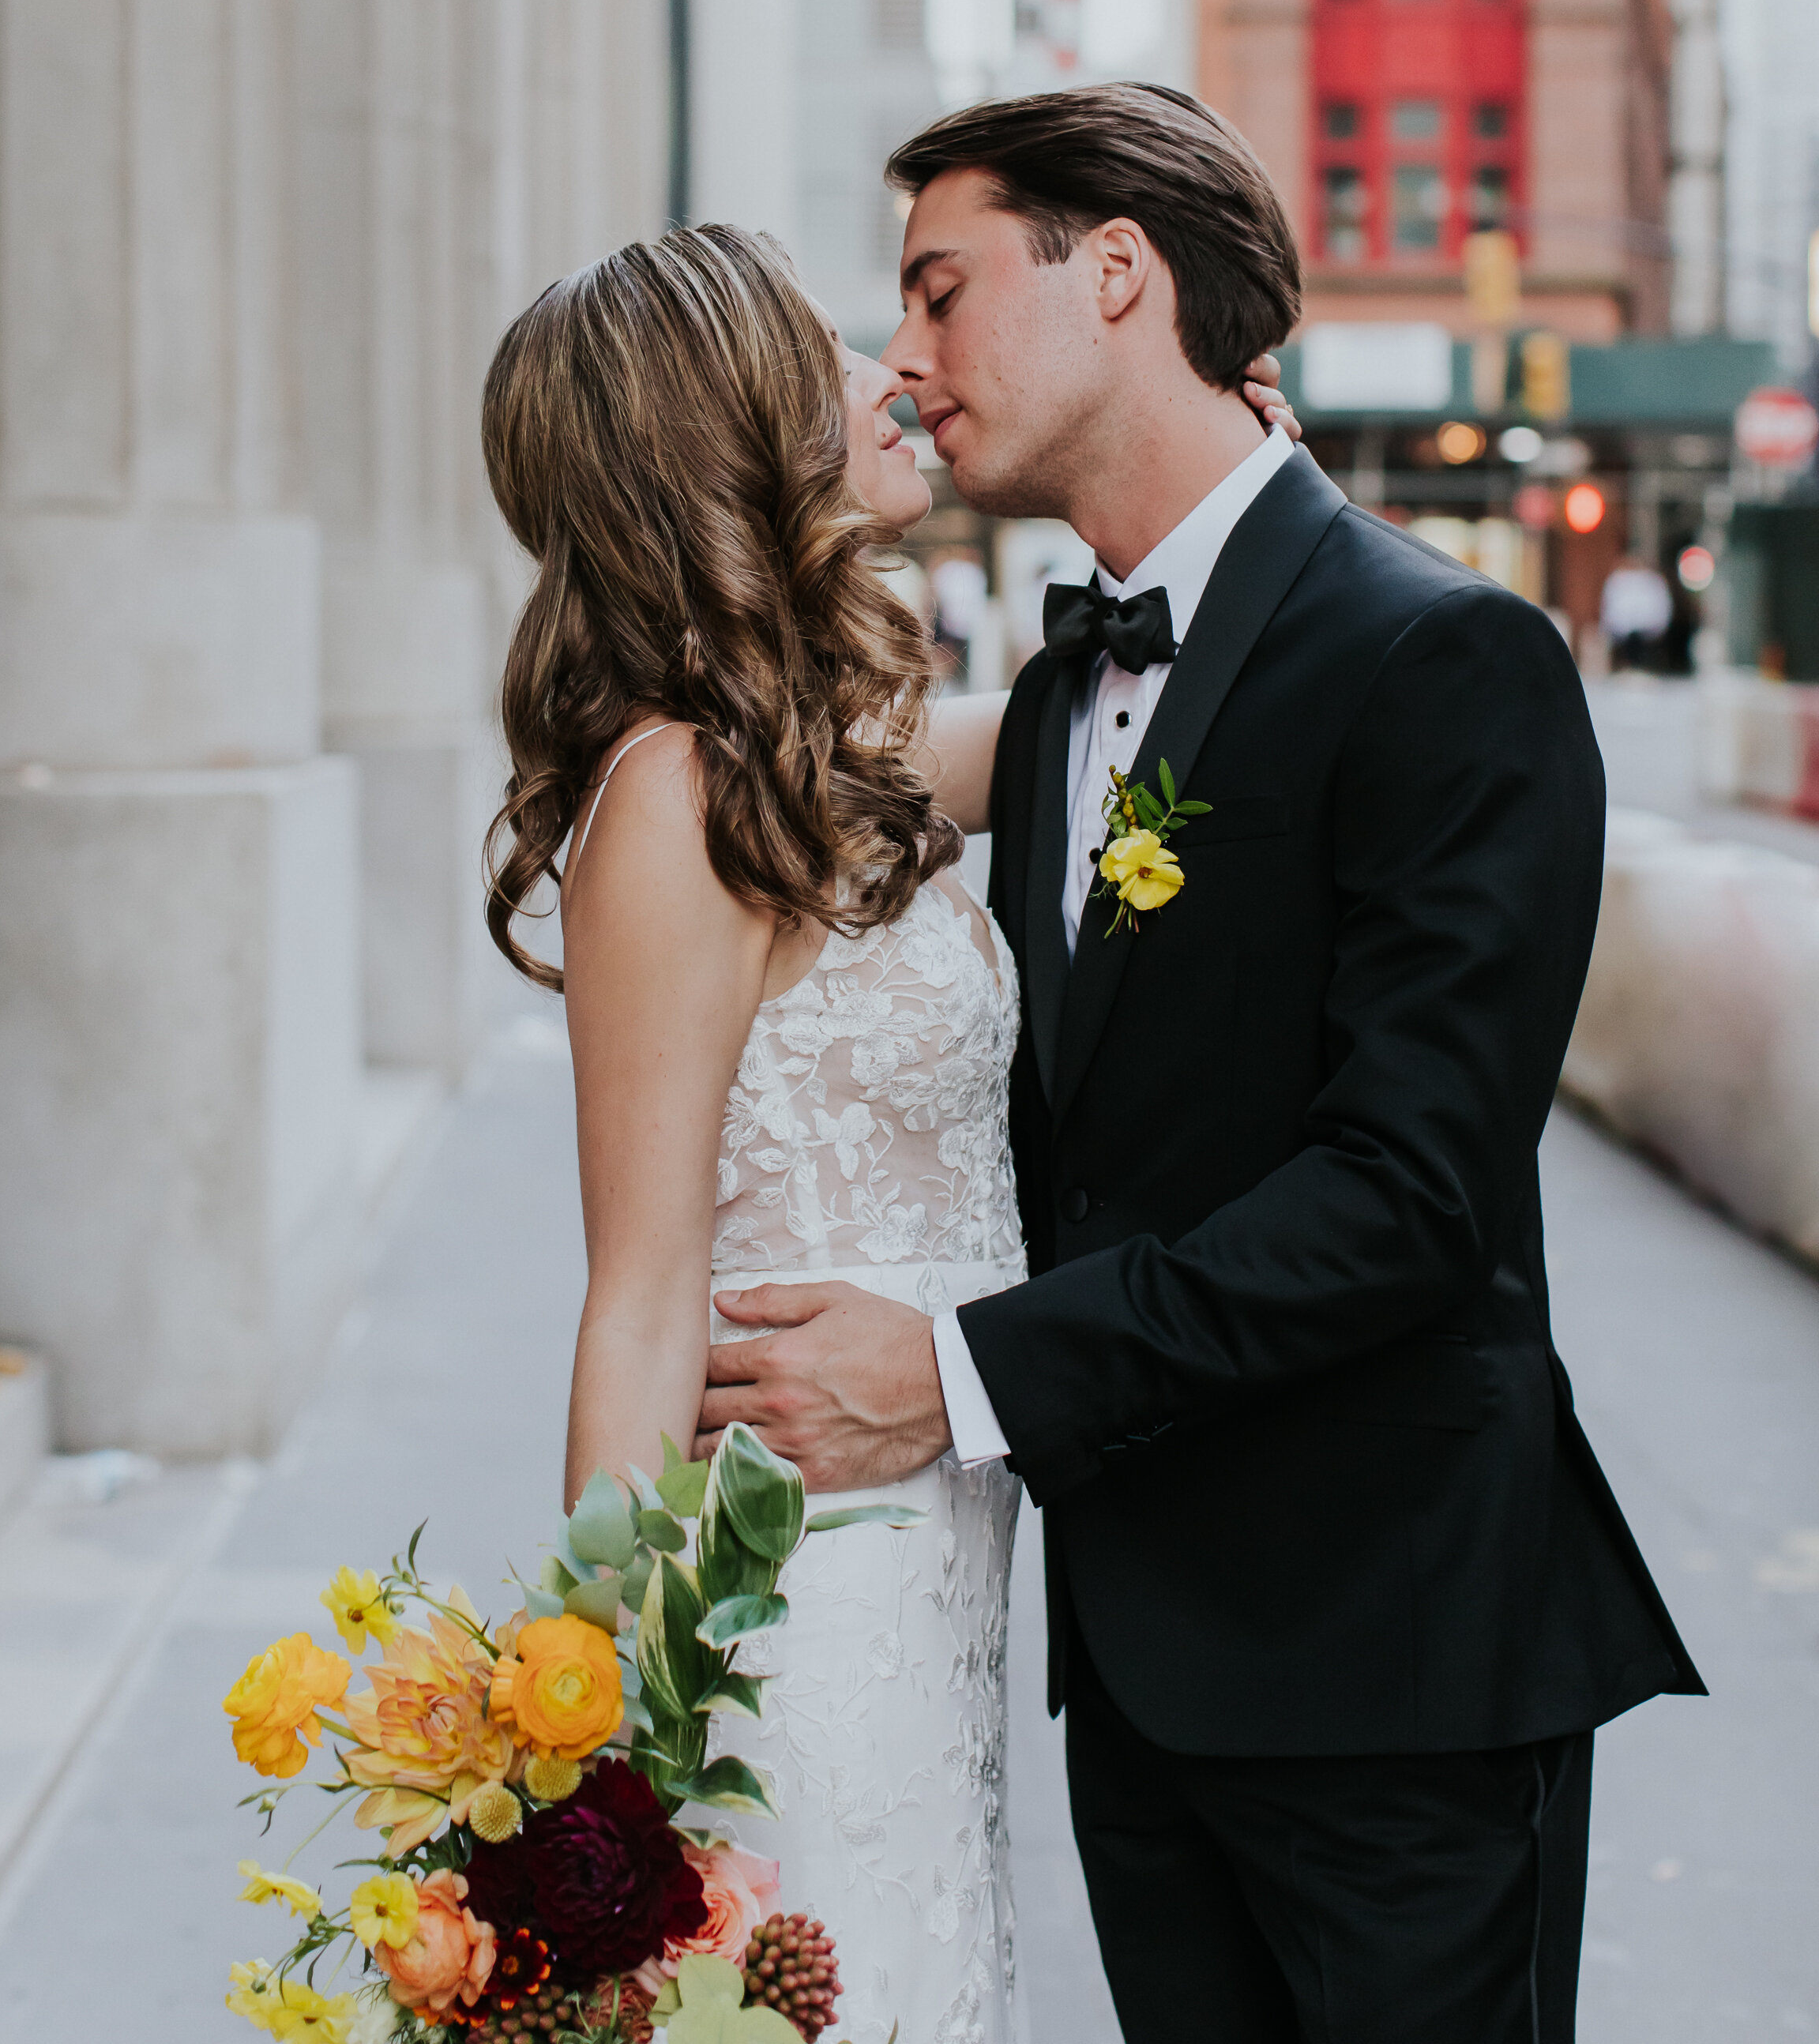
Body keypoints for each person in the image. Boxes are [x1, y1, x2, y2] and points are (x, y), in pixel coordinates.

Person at [697, 84, 1704, 2044]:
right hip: (1140, 1672)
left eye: (940, 289)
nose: (905, 360)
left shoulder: (1448, 663)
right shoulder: (1071, 683)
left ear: (1120, 275)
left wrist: (962, 1376)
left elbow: (1408, 1201)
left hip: (1395, 1671)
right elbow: (746, 785)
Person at [479, 216, 1298, 2042]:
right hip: (803, 1588)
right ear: (733, 432)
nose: (891, 375)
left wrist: (1243, 495)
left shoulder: (814, 757)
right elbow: (637, 1293)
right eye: (841, 350)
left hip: (943, 1574)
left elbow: (1114, 724)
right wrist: (602, 1783)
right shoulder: (681, 794)